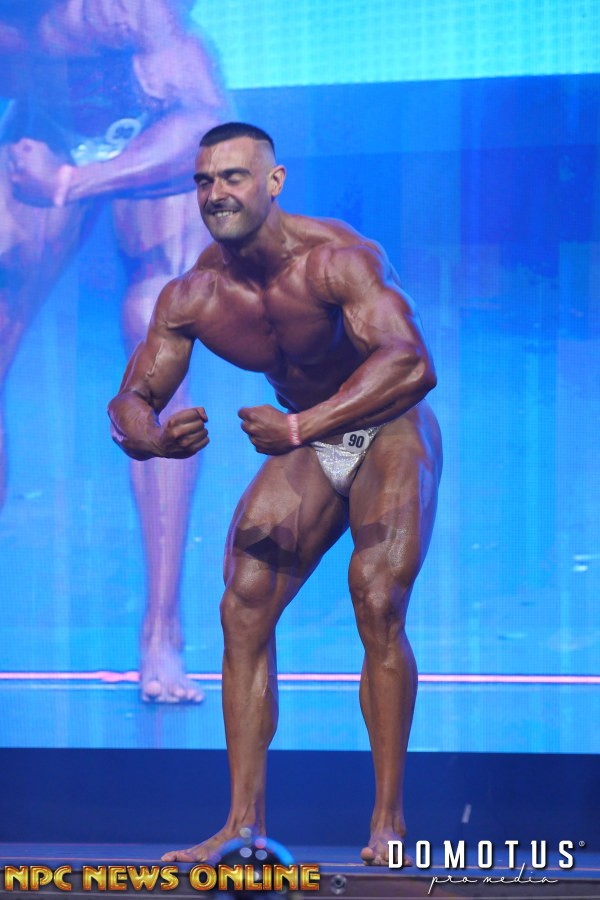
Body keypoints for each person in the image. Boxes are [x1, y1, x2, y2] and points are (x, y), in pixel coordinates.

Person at [108, 122, 442, 865]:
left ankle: (387, 823)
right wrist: (151, 438)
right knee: (244, 602)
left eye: (232, 177)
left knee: (378, 599)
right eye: (204, 181)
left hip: (385, 424)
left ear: (273, 181)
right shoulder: (194, 294)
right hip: (310, 436)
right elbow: (131, 398)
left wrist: (299, 426)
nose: (216, 194)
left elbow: (411, 364)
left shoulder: (336, 260)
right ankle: (241, 827)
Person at [0, 0, 231, 701]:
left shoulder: (140, 18)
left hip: (156, 136)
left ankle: (162, 631)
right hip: (49, 131)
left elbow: (202, 126)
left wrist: (74, 183)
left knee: (159, 326)